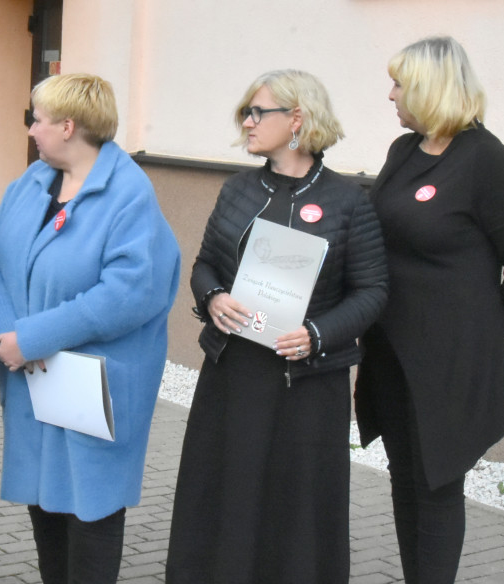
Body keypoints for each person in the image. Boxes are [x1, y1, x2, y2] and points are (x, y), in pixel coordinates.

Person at [166, 69, 388, 584]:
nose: (246, 122)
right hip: (235, 370)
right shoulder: (238, 190)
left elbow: (373, 291)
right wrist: (213, 296)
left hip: (308, 379)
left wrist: (317, 333)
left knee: (297, 501)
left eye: (256, 112)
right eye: (245, 112)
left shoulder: (348, 201)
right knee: (228, 489)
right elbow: (204, 264)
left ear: (297, 119)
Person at [0, 73, 181, 584]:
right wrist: (7, 338)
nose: (31, 131)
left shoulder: (128, 194)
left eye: (37, 120)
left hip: (96, 382)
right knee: (45, 501)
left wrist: (34, 338)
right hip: (31, 372)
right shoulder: (33, 182)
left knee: (92, 506)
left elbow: (131, 292)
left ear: (68, 126)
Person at [354, 36, 504, 583]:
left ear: (429, 89)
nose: (390, 95)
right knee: (404, 478)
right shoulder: (403, 153)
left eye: (399, 84)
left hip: (449, 365)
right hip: (392, 353)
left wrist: (476, 335)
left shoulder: (487, 161)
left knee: (437, 484)